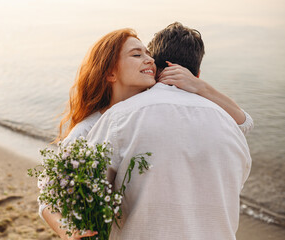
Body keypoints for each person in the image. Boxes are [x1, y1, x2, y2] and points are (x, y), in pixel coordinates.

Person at [38, 27, 253, 240]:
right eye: (136, 54)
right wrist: (69, 232)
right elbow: (50, 195)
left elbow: (245, 123)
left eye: (149, 54)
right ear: (110, 73)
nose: (149, 60)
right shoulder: (91, 127)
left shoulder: (133, 114)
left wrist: (199, 87)